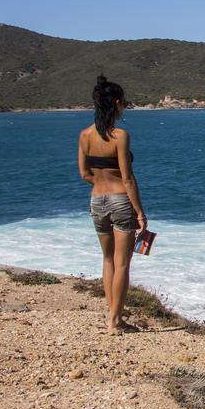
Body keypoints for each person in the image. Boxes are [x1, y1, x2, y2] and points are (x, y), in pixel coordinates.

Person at [77, 75, 147, 335]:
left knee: (107, 259)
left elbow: (84, 173)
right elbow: (128, 178)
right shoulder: (120, 136)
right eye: (124, 103)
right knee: (123, 263)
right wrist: (140, 212)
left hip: (96, 200)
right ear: (116, 103)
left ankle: (113, 315)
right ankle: (115, 321)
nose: (124, 107)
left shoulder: (84, 135)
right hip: (120, 201)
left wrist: (101, 183)